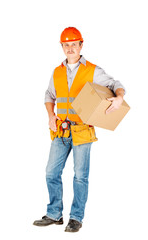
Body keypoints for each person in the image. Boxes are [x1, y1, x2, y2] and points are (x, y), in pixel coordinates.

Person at [33, 27, 125, 232]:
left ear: (81, 45)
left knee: (80, 176)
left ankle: (76, 217)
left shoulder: (92, 70)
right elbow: (49, 95)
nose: (70, 48)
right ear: (62, 47)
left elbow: (115, 83)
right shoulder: (57, 71)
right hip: (61, 130)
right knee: (51, 173)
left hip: (82, 131)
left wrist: (119, 98)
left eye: (74, 44)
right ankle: (54, 214)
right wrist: (50, 116)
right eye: (66, 45)